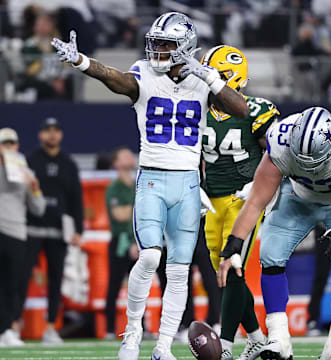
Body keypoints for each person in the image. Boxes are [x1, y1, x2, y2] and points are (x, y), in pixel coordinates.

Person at [51, 11, 249, 360]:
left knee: (179, 271)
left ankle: (162, 347)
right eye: (155, 43)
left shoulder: (203, 79)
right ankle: (132, 334)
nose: (156, 50)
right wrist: (82, 62)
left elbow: (240, 109)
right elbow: (117, 79)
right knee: (149, 256)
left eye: (165, 44)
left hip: (188, 183)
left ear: (185, 47)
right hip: (153, 178)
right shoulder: (144, 73)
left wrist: (210, 77)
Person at [217, 64, 331, 359]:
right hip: (297, 196)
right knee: (269, 252)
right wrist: (234, 241)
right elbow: (257, 198)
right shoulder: (280, 139)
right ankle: (279, 339)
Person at [201, 45, 279, 360]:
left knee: (231, 266)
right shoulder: (198, 107)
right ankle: (257, 337)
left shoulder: (256, 109)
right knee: (224, 274)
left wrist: (259, 186)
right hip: (212, 200)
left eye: (214, 74)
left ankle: (226, 344)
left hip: (244, 199)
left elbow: (279, 153)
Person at [15, 117, 83, 345]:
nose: (51, 135)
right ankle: (13, 327)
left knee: (56, 282)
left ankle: (51, 328)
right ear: (40, 135)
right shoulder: (30, 161)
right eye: (48, 131)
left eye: (56, 130)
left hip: (58, 230)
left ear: (60, 135)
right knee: (21, 278)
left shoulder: (69, 164)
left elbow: (76, 199)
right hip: (31, 228)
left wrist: (78, 229)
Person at [0, 128, 45, 346]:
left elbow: (38, 208)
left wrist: (35, 189)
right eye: (4, 143)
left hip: (17, 232)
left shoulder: (25, 171)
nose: (8, 147)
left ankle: (8, 328)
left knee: (14, 285)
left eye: (11, 143)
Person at [104, 147, 138, 339]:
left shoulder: (138, 184)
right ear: (116, 162)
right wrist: (138, 206)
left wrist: (130, 209)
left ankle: (140, 327)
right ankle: (109, 329)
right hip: (120, 242)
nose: (129, 156)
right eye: (123, 154)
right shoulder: (114, 188)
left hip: (137, 239)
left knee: (140, 285)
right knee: (114, 285)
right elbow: (119, 215)